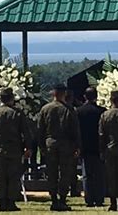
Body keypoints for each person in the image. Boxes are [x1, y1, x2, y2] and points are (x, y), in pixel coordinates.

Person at [0, 88, 32, 211]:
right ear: (11, 99)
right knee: (13, 177)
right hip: (14, 150)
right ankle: (11, 202)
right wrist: (28, 147)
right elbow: (26, 132)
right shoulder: (17, 113)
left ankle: (1, 202)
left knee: (0, 177)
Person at [38, 84, 81, 212]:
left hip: (50, 143)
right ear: (64, 94)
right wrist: (77, 146)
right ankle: (62, 199)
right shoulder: (69, 109)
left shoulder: (45, 109)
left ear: (53, 93)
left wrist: (41, 146)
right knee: (65, 173)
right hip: (65, 145)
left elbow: (40, 130)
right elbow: (75, 130)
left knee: (52, 173)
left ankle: (53, 199)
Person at [77, 87, 106, 207]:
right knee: (99, 175)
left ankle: (89, 199)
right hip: (98, 147)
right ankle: (99, 199)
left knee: (87, 176)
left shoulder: (79, 111)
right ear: (96, 97)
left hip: (85, 147)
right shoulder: (102, 111)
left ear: (85, 97)